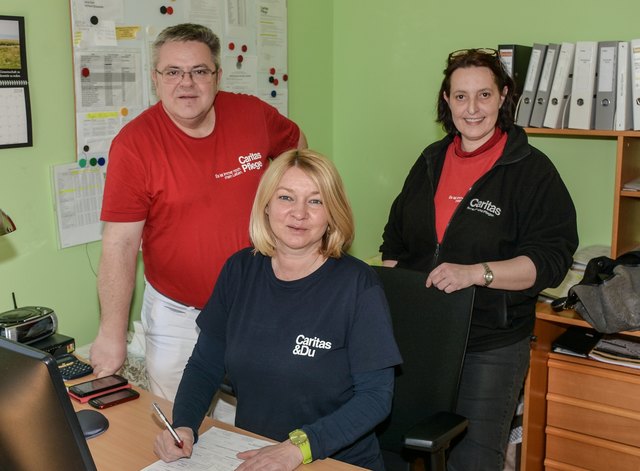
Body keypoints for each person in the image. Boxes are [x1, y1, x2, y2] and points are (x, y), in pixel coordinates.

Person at [380, 48, 578, 471]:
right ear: (446, 100)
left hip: (489, 346)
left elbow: (551, 260)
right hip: (420, 340)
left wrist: (477, 273)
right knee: (399, 450)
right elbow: (395, 242)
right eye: (461, 96)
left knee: (473, 461)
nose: (472, 109)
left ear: (504, 97)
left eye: (484, 95)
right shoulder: (430, 160)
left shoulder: (531, 171)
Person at [90, 23, 307, 405]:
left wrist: (290, 202)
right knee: (182, 431)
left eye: (199, 71)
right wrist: (111, 333)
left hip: (258, 307)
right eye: (173, 71)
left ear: (217, 76)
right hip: (178, 316)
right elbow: (120, 244)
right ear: (156, 79)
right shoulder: (134, 145)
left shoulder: (252, 114)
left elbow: (298, 148)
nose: (186, 83)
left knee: (255, 427)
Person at [153, 149, 402, 471]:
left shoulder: (358, 285)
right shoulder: (239, 270)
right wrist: (184, 425)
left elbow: (375, 397)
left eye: (315, 201)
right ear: (266, 206)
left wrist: (297, 449)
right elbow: (205, 365)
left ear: (332, 213)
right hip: (252, 452)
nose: (299, 214)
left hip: (336, 459)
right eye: (286, 198)